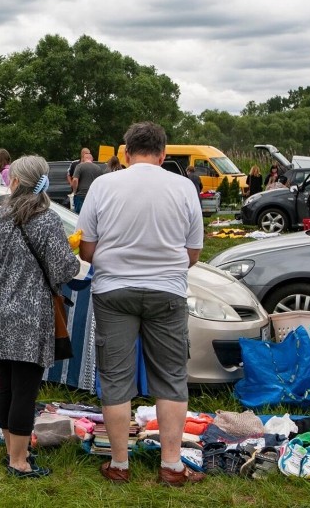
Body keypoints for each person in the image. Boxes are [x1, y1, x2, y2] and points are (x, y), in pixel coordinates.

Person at [77, 121, 205, 487]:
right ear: (164, 154)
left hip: (114, 290)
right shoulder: (182, 187)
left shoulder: (103, 184)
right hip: (167, 291)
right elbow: (193, 252)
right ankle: (172, 465)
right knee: (171, 377)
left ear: (126, 152)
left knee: (115, 379)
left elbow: (87, 247)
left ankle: (119, 463)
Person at [0, 155, 79, 478]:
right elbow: (64, 268)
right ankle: (19, 462)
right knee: (24, 391)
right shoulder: (45, 220)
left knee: (6, 386)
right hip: (30, 318)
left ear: (16, 182)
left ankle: (11, 449)